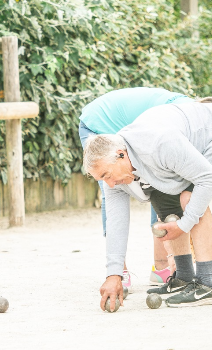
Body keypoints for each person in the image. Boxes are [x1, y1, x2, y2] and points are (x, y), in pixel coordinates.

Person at [83, 101, 212, 309]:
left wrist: (184, 225)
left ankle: (207, 285)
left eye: (107, 175)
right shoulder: (115, 175)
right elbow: (116, 223)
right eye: (101, 179)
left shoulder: (158, 144)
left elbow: (207, 179)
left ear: (121, 154)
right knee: (161, 198)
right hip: (187, 146)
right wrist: (114, 274)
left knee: (189, 197)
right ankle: (183, 277)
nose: (108, 184)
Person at [78, 87, 192, 288]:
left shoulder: (189, 121)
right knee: (112, 188)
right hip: (98, 125)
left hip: (128, 128)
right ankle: (117, 272)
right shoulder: (178, 120)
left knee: (160, 184)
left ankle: (162, 267)